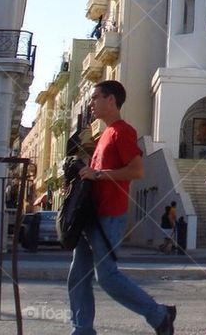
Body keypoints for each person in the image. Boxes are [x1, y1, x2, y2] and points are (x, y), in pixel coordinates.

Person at [67, 80, 176, 335]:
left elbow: (137, 171)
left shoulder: (122, 131)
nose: (90, 104)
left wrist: (98, 175)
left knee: (106, 276)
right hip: (91, 216)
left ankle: (160, 315)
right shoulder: (104, 134)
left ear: (111, 100)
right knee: (78, 276)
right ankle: (81, 330)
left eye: (95, 98)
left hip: (108, 216)